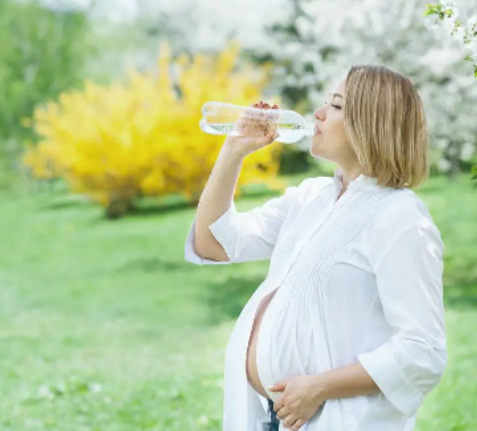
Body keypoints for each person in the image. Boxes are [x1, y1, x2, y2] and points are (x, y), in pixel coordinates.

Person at [184, 64, 447, 431]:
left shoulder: (400, 216)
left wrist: (319, 388)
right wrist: (234, 151)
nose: (319, 113)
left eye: (336, 106)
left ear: (371, 122)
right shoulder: (312, 197)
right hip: (271, 419)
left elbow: (423, 351)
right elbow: (213, 243)